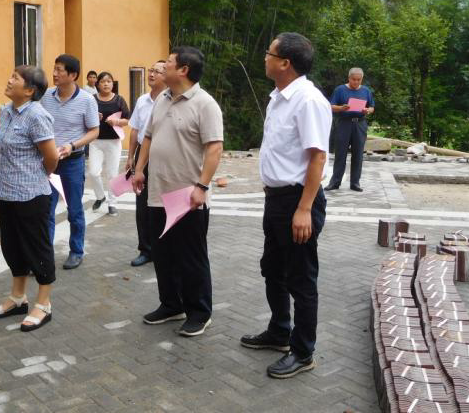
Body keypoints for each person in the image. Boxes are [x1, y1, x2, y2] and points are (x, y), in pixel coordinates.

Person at [242, 32, 331, 380]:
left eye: (269, 53)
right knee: (272, 269)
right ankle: (280, 331)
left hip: (298, 200)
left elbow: (318, 157)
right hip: (276, 199)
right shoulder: (278, 98)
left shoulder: (308, 100)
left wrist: (304, 209)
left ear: (285, 63)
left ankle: (303, 351)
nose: (264, 57)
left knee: (301, 279)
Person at [132, 47, 223, 337]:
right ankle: (171, 305)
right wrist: (138, 169)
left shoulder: (205, 104)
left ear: (183, 70)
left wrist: (202, 186)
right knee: (163, 255)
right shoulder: (162, 99)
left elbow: (214, 148)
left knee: (191, 257)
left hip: (187, 197)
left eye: (169, 63)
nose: (162, 67)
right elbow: (148, 137)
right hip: (158, 192)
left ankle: (199, 312)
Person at [0, 66, 60, 331]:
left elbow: (51, 157)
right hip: (5, 192)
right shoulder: (7, 111)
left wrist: (38, 176)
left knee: (37, 248)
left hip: (31, 194)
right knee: (12, 246)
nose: (9, 81)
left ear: (30, 90)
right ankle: (18, 297)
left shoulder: (37, 115)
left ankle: (44, 304)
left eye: (15, 78)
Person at [40, 54, 99, 269]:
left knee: (74, 209)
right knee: (46, 210)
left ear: (73, 75)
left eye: (59, 70)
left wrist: (72, 146)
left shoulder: (87, 100)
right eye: (54, 69)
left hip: (72, 162)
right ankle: (45, 255)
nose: (54, 73)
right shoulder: (45, 96)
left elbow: (94, 131)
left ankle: (76, 251)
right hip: (49, 162)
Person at [125, 59, 167, 266]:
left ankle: (163, 249)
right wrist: (131, 157)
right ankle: (145, 249)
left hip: (163, 155)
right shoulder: (142, 100)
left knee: (162, 203)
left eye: (157, 71)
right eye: (150, 70)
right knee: (142, 204)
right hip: (143, 154)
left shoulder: (170, 100)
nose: (151, 74)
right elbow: (135, 130)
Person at [325, 67, 374, 192]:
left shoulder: (366, 90)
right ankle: (335, 182)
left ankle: (355, 183)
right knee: (340, 154)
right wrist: (341, 108)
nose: (356, 82)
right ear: (349, 78)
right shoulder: (340, 90)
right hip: (344, 123)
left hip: (360, 124)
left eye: (359, 80)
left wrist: (367, 110)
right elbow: (331, 106)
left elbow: (371, 106)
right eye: (354, 79)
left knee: (358, 154)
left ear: (362, 79)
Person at [89, 71, 130, 216]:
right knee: (93, 172)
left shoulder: (119, 100)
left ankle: (112, 203)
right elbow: (84, 118)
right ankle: (100, 196)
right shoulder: (92, 99)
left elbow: (127, 119)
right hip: (95, 141)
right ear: (98, 84)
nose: (106, 84)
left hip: (113, 141)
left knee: (112, 174)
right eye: (103, 81)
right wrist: (94, 117)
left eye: (109, 81)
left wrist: (117, 121)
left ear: (113, 84)